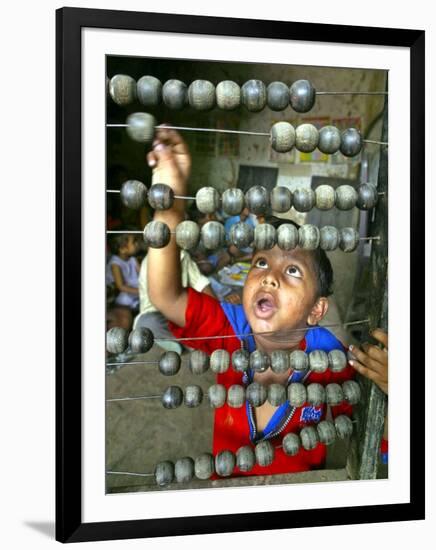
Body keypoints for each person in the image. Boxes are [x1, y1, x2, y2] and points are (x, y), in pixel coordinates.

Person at [146, 128, 388, 476]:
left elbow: (378, 441)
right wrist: (168, 205)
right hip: (225, 499)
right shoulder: (229, 329)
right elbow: (166, 295)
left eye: (292, 270)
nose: (270, 276)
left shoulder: (333, 362)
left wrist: (397, 389)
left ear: (316, 310)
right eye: (260, 263)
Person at [134, 250, 215, 354]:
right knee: (147, 323)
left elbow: (200, 283)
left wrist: (217, 311)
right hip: (159, 314)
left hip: (182, 309)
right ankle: (188, 343)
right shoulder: (150, 261)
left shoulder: (183, 255)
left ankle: (181, 342)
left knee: (202, 312)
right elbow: (161, 302)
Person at [106, 234, 140, 312]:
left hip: (133, 286)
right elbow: (121, 286)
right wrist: (140, 291)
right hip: (120, 291)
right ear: (122, 249)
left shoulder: (132, 259)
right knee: (124, 299)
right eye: (134, 242)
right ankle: (134, 305)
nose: (137, 244)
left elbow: (143, 274)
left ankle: (137, 301)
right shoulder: (115, 264)